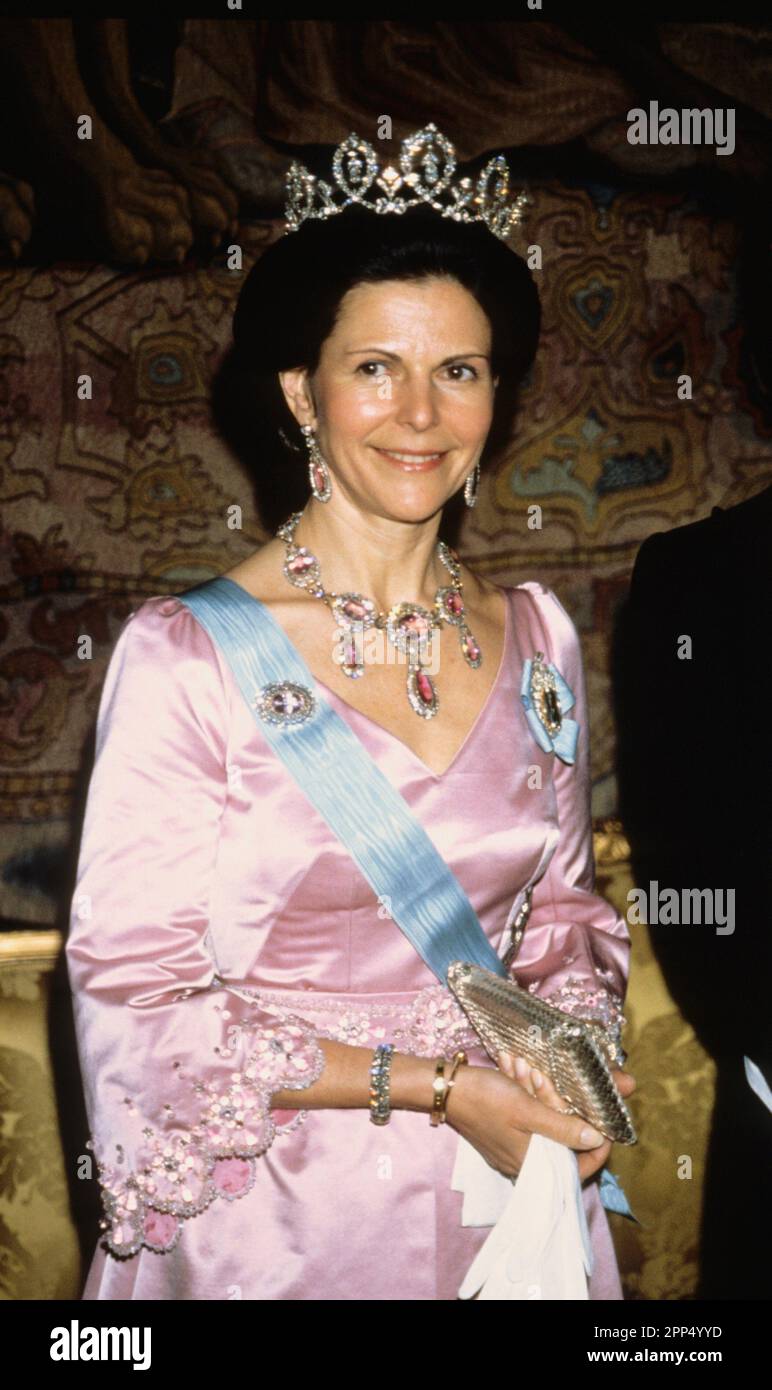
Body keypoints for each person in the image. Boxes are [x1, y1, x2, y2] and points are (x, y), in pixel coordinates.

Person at [65, 126, 636, 1301]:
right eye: (375, 367)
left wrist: (561, 1042)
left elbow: (566, 909)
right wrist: (434, 1086)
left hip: (505, 1194)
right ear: (301, 393)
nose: (419, 413)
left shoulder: (538, 637)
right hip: (277, 1216)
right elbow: (137, 995)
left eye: (460, 370)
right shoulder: (189, 658)